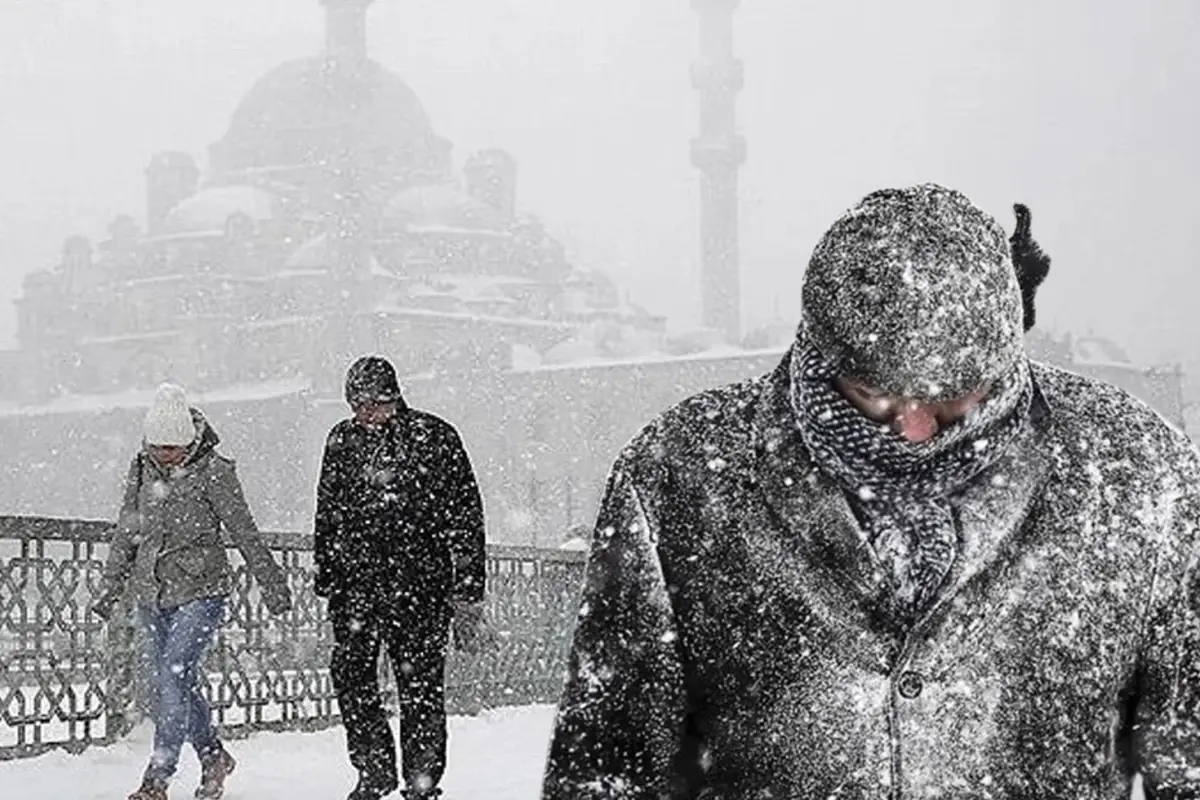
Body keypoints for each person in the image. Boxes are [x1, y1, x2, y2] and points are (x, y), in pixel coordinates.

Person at [542, 184, 1200, 798]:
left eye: (951, 398)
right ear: (822, 358)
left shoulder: (1136, 473)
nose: (914, 430)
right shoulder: (680, 474)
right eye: (872, 394)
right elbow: (609, 763)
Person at [92, 382, 293, 800]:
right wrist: (110, 587)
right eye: (157, 446)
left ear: (190, 440)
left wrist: (272, 584)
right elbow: (127, 531)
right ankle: (214, 756)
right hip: (152, 593)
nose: (164, 455)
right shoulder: (142, 469)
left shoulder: (215, 472)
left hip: (202, 591)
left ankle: (157, 778)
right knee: (178, 683)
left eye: (173, 447)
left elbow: (243, 530)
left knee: (173, 676)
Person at [314, 355, 488, 800]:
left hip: (420, 586)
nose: (366, 414)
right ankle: (373, 771)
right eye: (358, 405)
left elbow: (465, 517)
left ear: (394, 397)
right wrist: (327, 573)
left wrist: (468, 588)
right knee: (353, 679)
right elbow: (328, 512)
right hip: (356, 587)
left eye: (375, 403)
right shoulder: (341, 440)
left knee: (421, 688)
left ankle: (422, 780)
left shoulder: (435, 437)